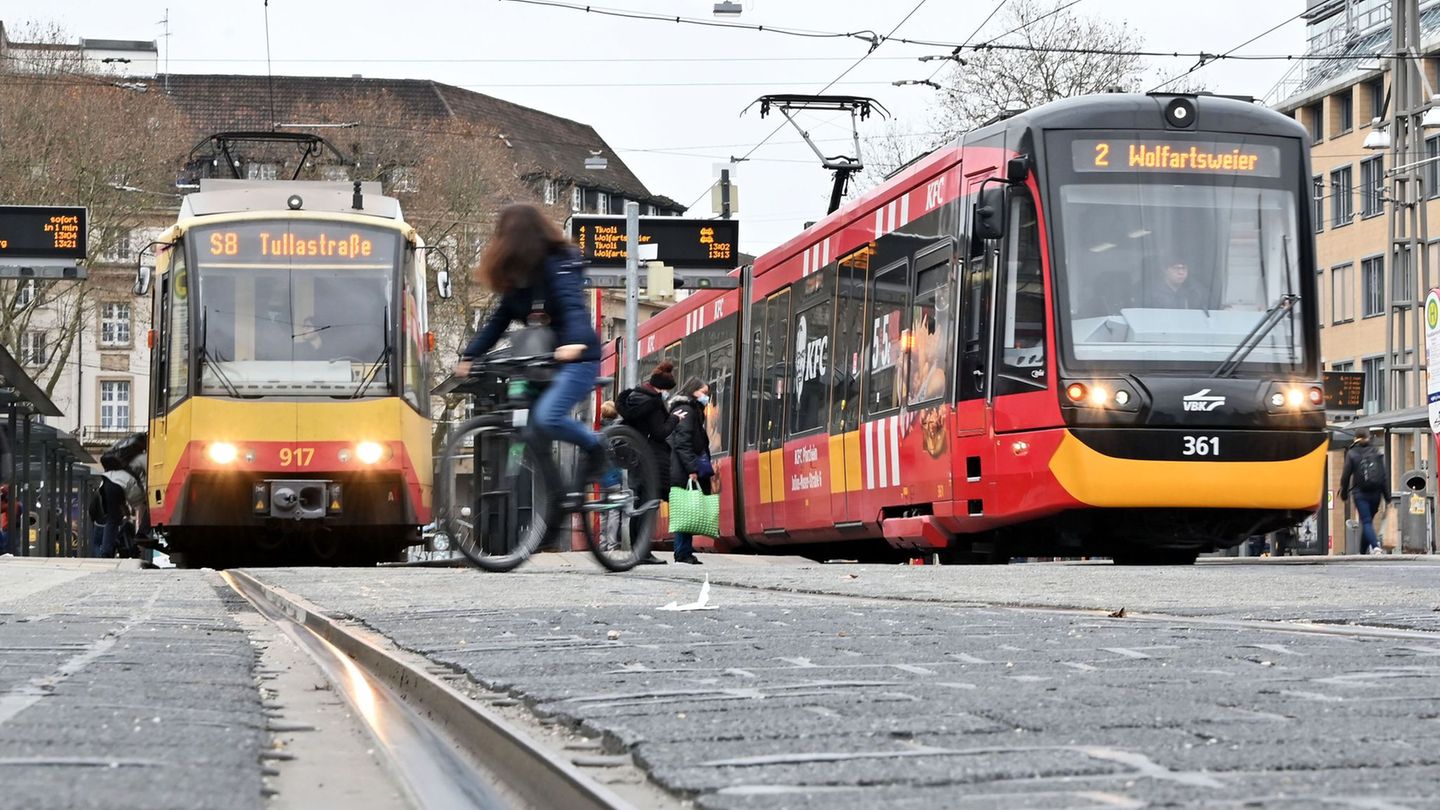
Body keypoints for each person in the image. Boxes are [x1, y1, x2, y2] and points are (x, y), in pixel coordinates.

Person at [456, 204, 618, 493]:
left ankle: (595, 446)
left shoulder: (558, 265)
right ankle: (553, 510)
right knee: (532, 433)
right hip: (545, 362)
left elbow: (572, 305)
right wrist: (470, 355)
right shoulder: (518, 282)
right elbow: (497, 322)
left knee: (547, 418)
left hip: (578, 358)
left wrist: (575, 343)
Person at [616, 361, 680, 565]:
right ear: (661, 388)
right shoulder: (652, 403)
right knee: (648, 504)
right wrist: (674, 419)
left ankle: (638, 549)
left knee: (640, 502)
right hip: (650, 458)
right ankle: (642, 551)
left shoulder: (636, 398)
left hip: (637, 456)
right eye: (666, 391)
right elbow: (660, 432)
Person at [667, 377, 713, 565]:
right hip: (683, 469)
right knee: (685, 510)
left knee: (688, 509)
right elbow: (682, 443)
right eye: (703, 393)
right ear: (693, 391)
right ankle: (682, 552)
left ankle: (685, 549)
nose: (706, 397)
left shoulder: (691, 410)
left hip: (683, 468)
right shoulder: (686, 411)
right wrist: (692, 469)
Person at [1340, 428, 1390, 555]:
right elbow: (1383, 475)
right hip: (1376, 493)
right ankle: (1362, 551)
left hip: (1360, 493)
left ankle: (1375, 546)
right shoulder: (1376, 451)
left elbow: (1346, 475)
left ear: (1355, 438)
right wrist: (1387, 496)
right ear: (1368, 437)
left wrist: (1344, 493)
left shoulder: (1352, 453)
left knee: (1366, 521)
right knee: (1367, 521)